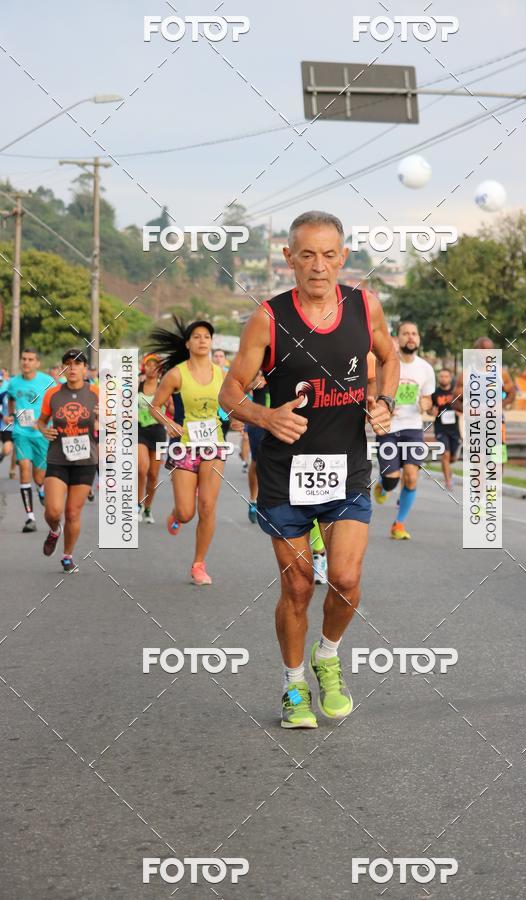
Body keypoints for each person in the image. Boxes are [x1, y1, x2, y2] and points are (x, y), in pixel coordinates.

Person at [219, 210, 398, 729]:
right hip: (284, 473)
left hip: (347, 468)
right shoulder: (268, 318)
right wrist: (265, 416)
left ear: (344, 257)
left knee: (345, 579)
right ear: (289, 258)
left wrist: (384, 401)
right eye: (307, 255)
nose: (318, 266)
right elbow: (230, 393)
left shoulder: (365, 306)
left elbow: (389, 359)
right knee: (298, 587)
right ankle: (294, 684)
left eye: (329, 255)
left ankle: (328, 654)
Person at [148, 317, 226, 586]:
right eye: (197, 337)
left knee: (207, 506)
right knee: (186, 512)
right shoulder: (176, 374)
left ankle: (198, 564)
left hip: (214, 444)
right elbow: (154, 407)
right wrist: (168, 423)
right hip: (184, 446)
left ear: (211, 342)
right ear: (188, 344)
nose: (203, 340)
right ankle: (176, 514)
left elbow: (232, 403)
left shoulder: (221, 373)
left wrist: (239, 415)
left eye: (207, 336)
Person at [37, 349, 99, 572]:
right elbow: (41, 421)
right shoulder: (53, 394)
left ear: (85, 369)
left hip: (85, 460)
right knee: (53, 511)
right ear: (63, 368)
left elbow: (114, 424)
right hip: (58, 457)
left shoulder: (97, 393)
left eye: (77, 363)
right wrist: (44, 430)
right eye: (68, 363)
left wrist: (104, 417)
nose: (72, 368)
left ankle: (67, 555)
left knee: (72, 512)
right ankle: (55, 530)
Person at [373, 322, 435, 541]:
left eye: (414, 334)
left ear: (419, 339)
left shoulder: (425, 369)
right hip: (388, 428)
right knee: (392, 480)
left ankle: (399, 524)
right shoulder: (387, 364)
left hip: (413, 428)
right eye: (405, 333)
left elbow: (428, 400)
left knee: (411, 477)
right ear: (397, 338)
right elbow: (374, 392)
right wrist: (382, 407)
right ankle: (383, 485)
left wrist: (426, 405)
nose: (410, 337)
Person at [6, 350, 55, 532]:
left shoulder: (47, 381)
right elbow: (11, 399)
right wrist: (11, 415)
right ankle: (30, 518)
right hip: (21, 433)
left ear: (37, 363)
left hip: (41, 434)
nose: (26, 362)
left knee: (39, 476)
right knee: (24, 468)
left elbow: (55, 404)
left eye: (31, 359)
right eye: (24, 359)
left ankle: (41, 489)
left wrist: (44, 423)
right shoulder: (14, 383)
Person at [453, 337, 516, 465]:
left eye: (489, 350)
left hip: (496, 421)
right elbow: (454, 401)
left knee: (498, 462)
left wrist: (501, 405)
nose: (486, 353)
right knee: (478, 462)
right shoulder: (466, 374)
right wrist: (467, 410)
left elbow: (512, 394)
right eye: (482, 350)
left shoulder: (501, 373)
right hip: (475, 423)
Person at [137, 352, 168, 524]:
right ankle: (137, 504)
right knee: (142, 468)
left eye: (156, 365)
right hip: (139, 430)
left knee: (153, 474)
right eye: (149, 365)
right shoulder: (137, 385)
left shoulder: (164, 387)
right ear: (144, 367)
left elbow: (172, 408)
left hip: (158, 432)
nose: (152, 368)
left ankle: (148, 508)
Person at [431, 368, 461, 490]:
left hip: (454, 429)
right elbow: (429, 408)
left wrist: (460, 411)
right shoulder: (434, 393)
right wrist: (431, 411)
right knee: (445, 455)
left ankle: (448, 471)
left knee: (453, 458)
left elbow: (465, 405)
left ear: (450, 378)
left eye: (446, 376)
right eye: (441, 376)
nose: (443, 378)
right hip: (440, 428)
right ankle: (448, 481)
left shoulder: (456, 393)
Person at [246, 372, 268, 524]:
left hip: (282, 422)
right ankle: (253, 500)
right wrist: (252, 385)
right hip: (258, 424)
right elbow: (236, 389)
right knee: (257, 462)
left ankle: (273, 503)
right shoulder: (257, 367)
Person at [0, 369, 15, 469]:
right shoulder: (3, 395)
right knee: (7, 449)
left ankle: (12, 469)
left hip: (22, 427)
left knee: (18, 452)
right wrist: (3, 417)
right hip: (7, 426)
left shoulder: (25, 395)